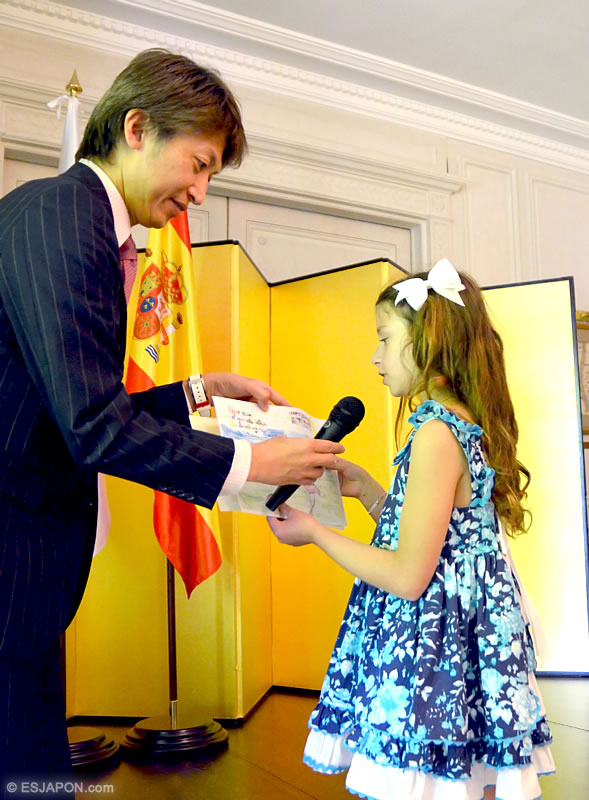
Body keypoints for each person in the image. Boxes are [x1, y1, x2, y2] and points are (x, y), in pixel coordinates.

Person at [0, 48, 343, 789]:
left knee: (31, 760)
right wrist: (252, 465)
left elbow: (73, 402)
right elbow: (93, 425)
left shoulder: (80, 222)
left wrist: (196, 390)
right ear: (137, 129)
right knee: (24, 766)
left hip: (27, 562)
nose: (200, 192)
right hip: (13, 555)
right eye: (200, 164)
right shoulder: (62, 215)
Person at [268, 258, 555, 800]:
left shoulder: (436, 435)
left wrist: (315, 532)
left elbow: (408, 575)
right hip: (458, 638)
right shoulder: (459, 424)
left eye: (384, 338)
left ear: (428, 343)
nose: (375, 357)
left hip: (432, 648)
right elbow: (443, 544)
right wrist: (368, 490)